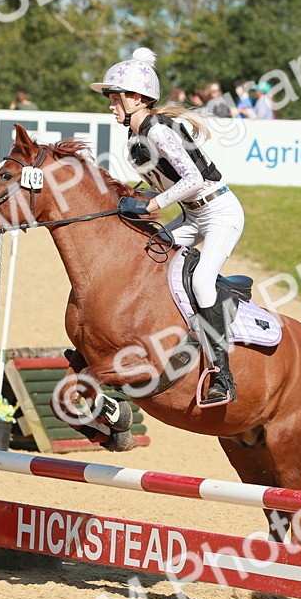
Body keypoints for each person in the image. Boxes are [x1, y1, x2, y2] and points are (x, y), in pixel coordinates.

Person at [90, 47, 244, 403]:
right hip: (191, 214)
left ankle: (223, 374)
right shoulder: (134, 136)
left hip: (219, 211)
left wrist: (152, 205)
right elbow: (162, 181)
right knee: (149, 250)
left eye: (115, 98)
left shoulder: (157, 131)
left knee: (204, 279)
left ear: (137, 98)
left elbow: (191, 179)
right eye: (111, 98)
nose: (110, 104)